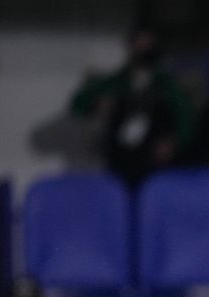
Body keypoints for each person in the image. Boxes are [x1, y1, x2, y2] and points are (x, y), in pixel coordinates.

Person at [68, 23, 196, 186]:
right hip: (119, 160)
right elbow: (79, 103)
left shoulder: (167, 85)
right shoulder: (116, 81)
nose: (144, 49)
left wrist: (173, 142)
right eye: (140, 43)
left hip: (156, 163)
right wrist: (98, 104)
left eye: (149, 44)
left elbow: (187, 119)